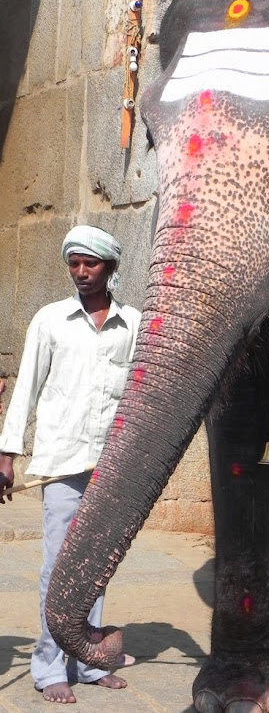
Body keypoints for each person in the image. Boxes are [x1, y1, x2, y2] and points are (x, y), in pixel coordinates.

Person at [0, 226, 141, 704]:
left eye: (91, 263)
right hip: (62, 463)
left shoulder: (134, 325)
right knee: (59, 568)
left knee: (96, 567)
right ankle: (48, 666)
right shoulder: (50, 321)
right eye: (74, 263)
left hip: (112, 467)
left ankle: (90, 659)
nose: (81, 272)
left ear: (111, 268)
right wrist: (7, 456)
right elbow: (27, 391)